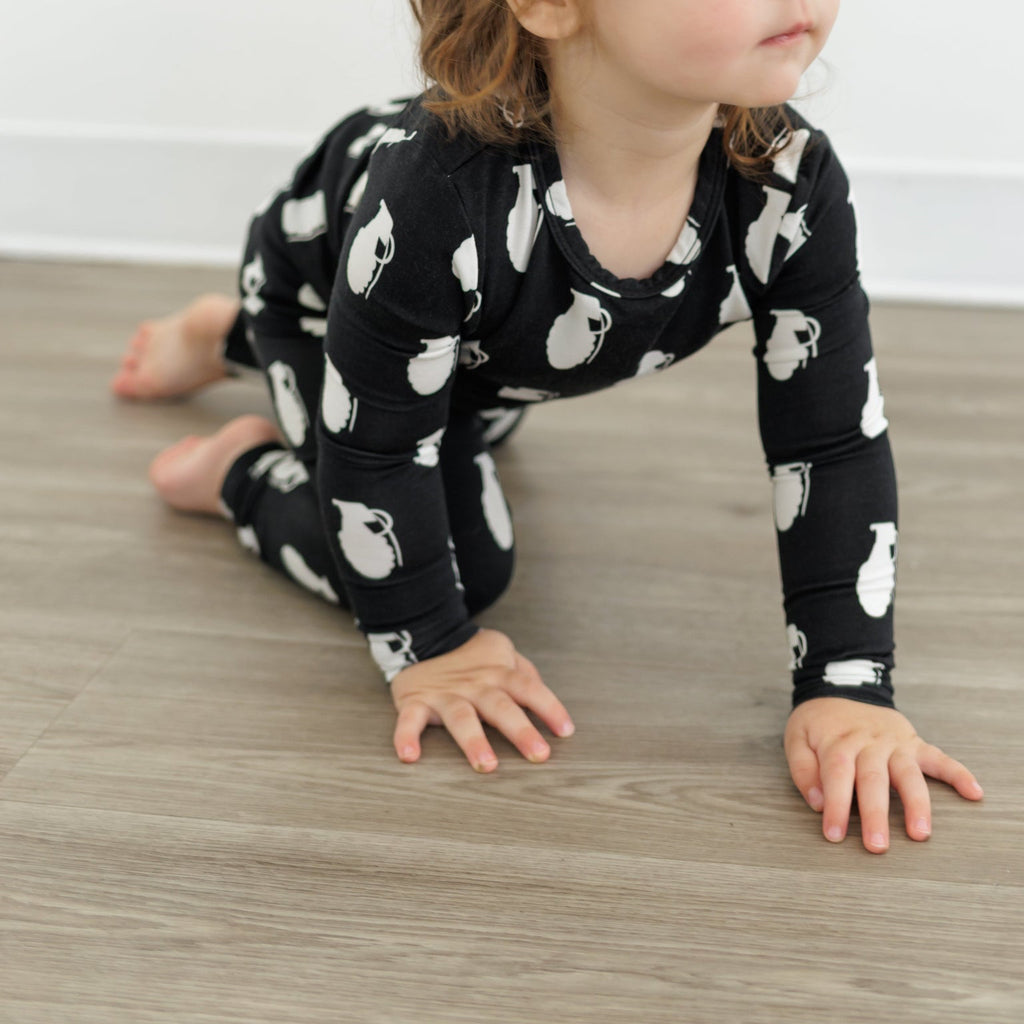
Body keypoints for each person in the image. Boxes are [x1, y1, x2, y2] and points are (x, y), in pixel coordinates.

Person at [111, 0, 983, 852]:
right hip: (327, 292)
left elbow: (830, 441)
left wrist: (848, 683)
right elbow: (378, 453)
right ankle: (245, 463)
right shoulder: (437, 196)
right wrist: (433, 648)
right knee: (463, 569)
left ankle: (223, 340)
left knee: (453, 415)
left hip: (486, 350)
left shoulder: (790, 183)